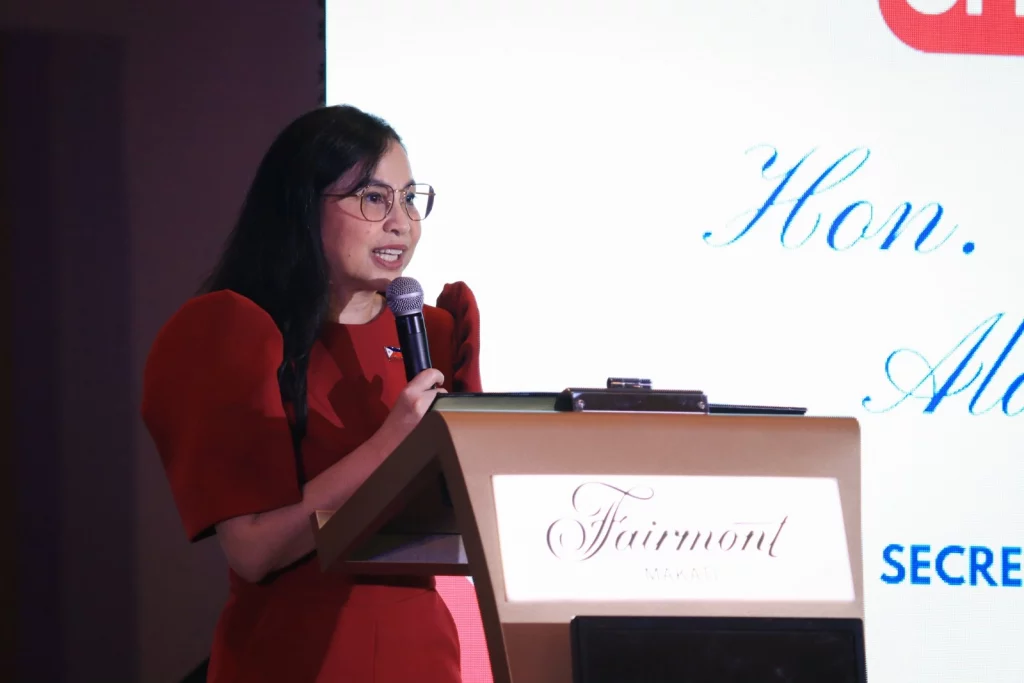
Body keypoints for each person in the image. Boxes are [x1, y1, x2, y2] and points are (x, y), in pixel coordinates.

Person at [141, 105, 485, 683]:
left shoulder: (436, 331)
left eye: (409, 198)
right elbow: (253, 552)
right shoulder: (238, 335)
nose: (400, 222)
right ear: (304, 207)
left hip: (419, 652)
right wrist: (390, 443)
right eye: (373, 198)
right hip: (295, 653)